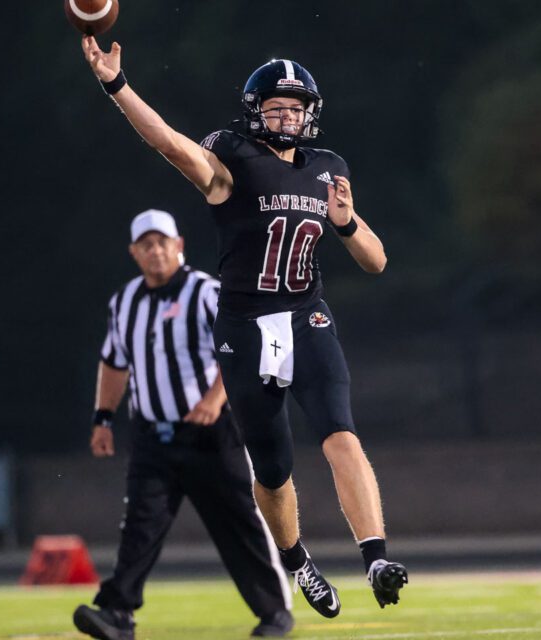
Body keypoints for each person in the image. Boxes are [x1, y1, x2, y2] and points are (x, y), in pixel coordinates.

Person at [80, 38, 408, 617]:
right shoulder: (233, 159)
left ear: (311, 112)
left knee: (341, 435)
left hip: (308, 318)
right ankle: (296, 559)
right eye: (276, 107)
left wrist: (348, 221)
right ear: (256, 110)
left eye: (296, 107)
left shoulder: (328, 169)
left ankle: (375, 555)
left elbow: (376, 261)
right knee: (275, 471)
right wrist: (117, 84)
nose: (287, 116)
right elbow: (169, 143)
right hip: (245, 330)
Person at [72, 210, 294, 640]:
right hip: (153, 436)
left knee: (240, 522)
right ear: (134, 253)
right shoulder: (125, 302)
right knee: (140, 526)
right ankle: (118, 613)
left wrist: (215, 399)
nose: (155, 251)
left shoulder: (207, 293)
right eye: (146, 245)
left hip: (210, 434)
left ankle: (275, 612)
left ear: (179, 245)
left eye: (162, 242)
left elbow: (240, 351)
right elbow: (114, 363)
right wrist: (103, 418)